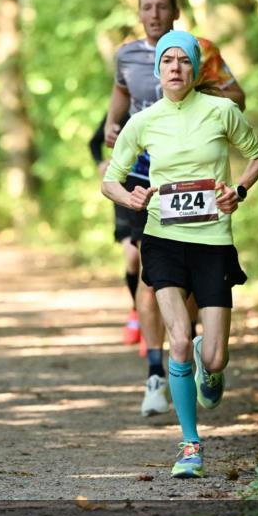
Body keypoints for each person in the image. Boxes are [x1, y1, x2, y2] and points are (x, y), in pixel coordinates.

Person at [103, 31, 258, 478]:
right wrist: (130, 199)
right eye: (167, 60)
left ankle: (207, 367)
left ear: (196, 69)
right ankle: (190, 446)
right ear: (158, 70)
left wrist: (239, 191)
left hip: (213, 242)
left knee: (213, 359)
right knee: (177, 340)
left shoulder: (223, 111)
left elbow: (257, 157)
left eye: (184, 61)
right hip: (163, 239)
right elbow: (110, 179)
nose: (175, 67)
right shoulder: (144, 121)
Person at [104, 0, 246, 417]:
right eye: (147, 7)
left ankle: (193, 356)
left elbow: (237, 96)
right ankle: (156, 372)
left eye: (162, 7)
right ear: (139, 13)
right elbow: (121, 100)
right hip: (144, 182)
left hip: (194, 185)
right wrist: (112, 127)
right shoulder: (127, 54)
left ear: (175, 12)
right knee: (146, 270)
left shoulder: (199, 50)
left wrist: (197, 101)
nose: (154, 14)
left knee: (183, 283)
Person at [88, 114, 144, 351]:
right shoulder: (119, 112)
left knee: (149, 261)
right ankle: (137, 311)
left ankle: (152, 323)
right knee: (132, 258)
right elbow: (93, 141)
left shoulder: (160, 108)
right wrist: (101, 162)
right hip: (122, 190)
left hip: (150, 189)